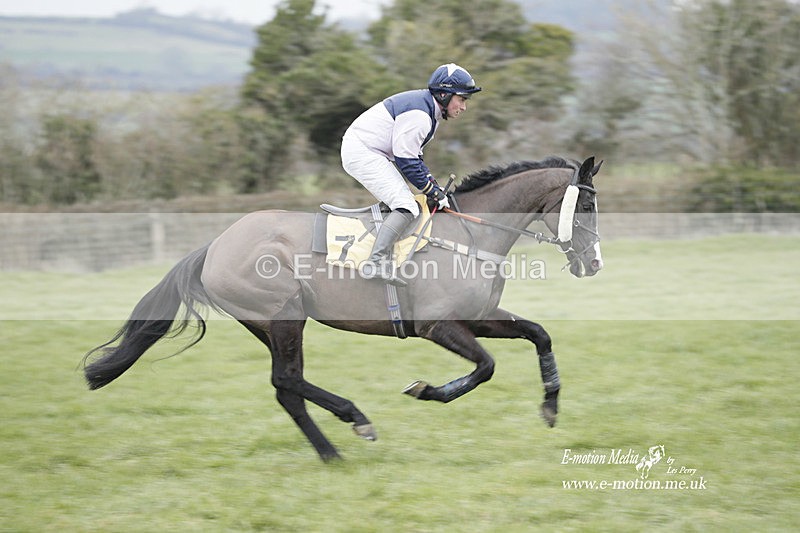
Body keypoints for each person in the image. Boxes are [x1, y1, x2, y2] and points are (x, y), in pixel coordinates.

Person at [341, 63, 481, 286]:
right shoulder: (420, 115)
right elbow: (406, 161)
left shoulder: (429, 112)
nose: (463, 107)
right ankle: (375, 262)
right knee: (407, 206)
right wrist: (432, 190)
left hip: (372, 151)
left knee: (409, 201)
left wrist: (432, 186)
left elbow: (415, 158)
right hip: (363, 152)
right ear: (444, 95)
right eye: (462, 99)